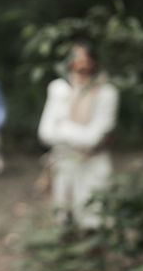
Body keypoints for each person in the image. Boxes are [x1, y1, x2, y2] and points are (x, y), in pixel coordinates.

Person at [37, 41, 119, 229]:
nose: (81, 65)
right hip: (63, 164)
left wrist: (63, 127)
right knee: (64, 218)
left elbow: (94, 138)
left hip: (93, 165)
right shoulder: (59, 89)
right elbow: (45, 132)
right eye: (76, 60)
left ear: (94, 62)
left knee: (94, 219)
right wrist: (79, 134)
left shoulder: (106, 92)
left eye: (85, 60)